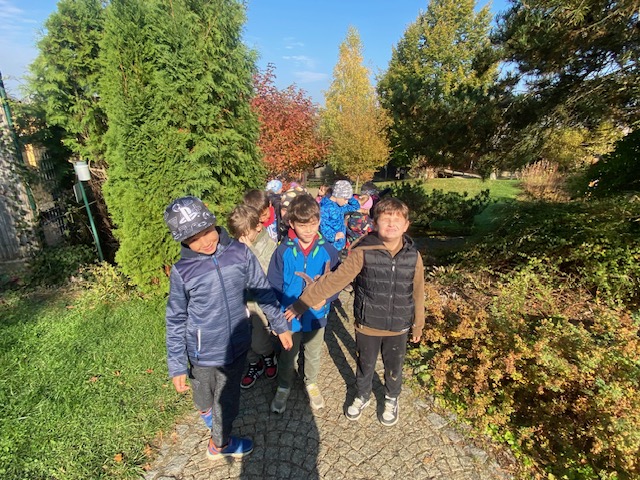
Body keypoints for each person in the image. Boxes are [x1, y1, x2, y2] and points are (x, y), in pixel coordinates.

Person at [164, 196, 293, 460]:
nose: (205, 242)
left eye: (206, 232)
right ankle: (206, 411)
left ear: (213, 222)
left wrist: (280, 324)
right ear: (183, 241)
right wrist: (177, 364)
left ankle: (219, 445)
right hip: (201, 350)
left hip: (235, 346)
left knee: (226, 400)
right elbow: (176, 318)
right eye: (194, 239)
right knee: (203, 395)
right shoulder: (182, 271)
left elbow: (263, 291)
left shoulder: (240, 253)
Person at [285, 197, 424, 427]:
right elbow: (334, 280)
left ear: (406, 225)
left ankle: (391, 398)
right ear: (374, 223)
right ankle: (362, 394)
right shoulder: (363, 251)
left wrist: (418, 323)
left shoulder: (413, 256)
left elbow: (418, 290)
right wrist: (303, 302)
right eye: (385, 219)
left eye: (397, 219)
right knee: (365, 364)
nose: (391, 224)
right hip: (368, 323)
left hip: (398, 326)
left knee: (394, 366)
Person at [267, 193, 340, 413]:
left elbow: (337, 281)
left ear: (319, 221)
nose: (308, 230)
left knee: (313, 352)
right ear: (291, 223)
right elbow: (274, 284)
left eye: (313, 224)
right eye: (302, 225)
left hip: (317, 314)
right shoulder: (283, 251)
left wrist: (326, 299)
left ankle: (311, 382)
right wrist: (276, 315)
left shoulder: (328, 251)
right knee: (288, 354)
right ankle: (284, 385)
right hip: (289, 315)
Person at [227, 204, 279, 389]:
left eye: (244, 234)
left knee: (258, 340)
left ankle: (268, 355)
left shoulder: (269, 245)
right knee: (242, 338)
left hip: (258, 302)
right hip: (240, 300)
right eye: (237, 235)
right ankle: (254, 363)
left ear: (258, 226)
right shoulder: (236, 243)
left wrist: (251, 251)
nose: (240, 239)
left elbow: (269, 273)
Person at [319, 179, 360, 252]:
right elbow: (322, 225)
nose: (346, 202)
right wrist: (333, 236)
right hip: (330, 246)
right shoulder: (325, 208)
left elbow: (356, 207)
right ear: (338, 195)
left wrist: (350, 197)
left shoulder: (341, 206)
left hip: (340, 245)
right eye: (345, 199)